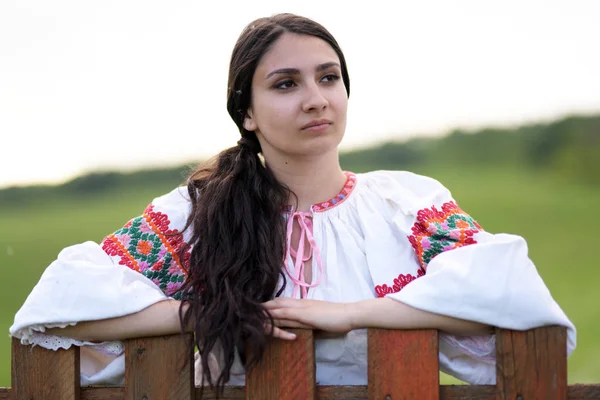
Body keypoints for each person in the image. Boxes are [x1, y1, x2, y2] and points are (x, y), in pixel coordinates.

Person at [11, 13, 575, 392]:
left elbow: (508, 293)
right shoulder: (194, 216)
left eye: (328, 78)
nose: (315, 99)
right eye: (285, 84)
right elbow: (58, 310)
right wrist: (213, 313)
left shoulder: (407, 204)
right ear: (247, 113)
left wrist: (349, 312)